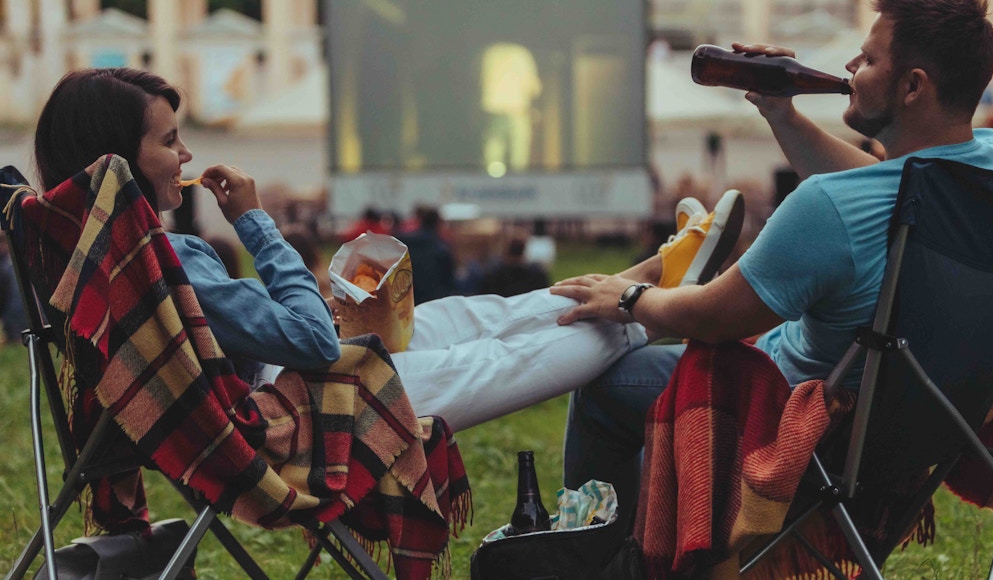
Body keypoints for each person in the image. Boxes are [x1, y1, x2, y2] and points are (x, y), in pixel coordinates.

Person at [550, 0, 993, 524]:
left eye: (869, 59)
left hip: (805, 429)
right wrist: (783, 113)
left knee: (601, 391)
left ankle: (599, 560)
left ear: (912, 87)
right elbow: (890, 188)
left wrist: (631, 295)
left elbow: (713, 318)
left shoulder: (826, 208)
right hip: (930, 426)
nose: (851, 67)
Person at [29, 67, 746, 435]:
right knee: (494, 357)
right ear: (117, 160)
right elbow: (309, 338)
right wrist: (256, 224)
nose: (186, 153)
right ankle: (654, 309)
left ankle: (647, 275)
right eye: (168, 142)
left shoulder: (117, 251)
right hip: (283, 407)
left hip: (282, 378)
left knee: (469, 318)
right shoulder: (163, 258)